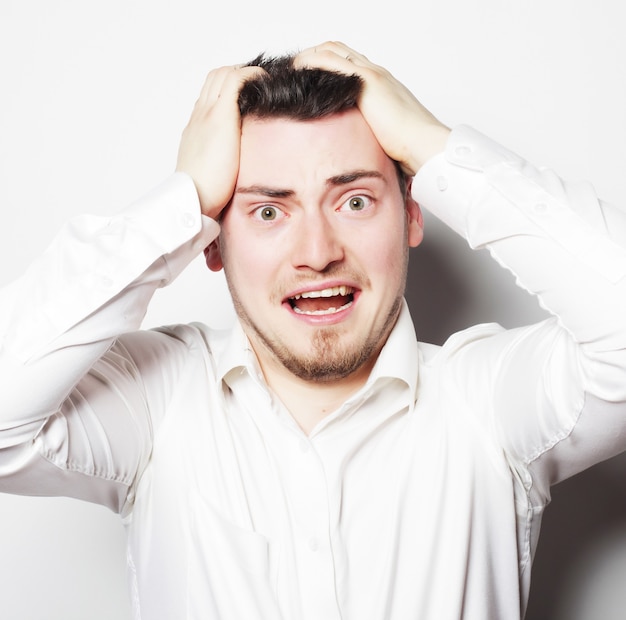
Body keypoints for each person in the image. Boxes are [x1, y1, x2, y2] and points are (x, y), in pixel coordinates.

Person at [1, 40, 625, 620]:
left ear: (412, 216)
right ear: (211, 243)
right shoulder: (154, 400)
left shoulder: (487, 401)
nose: (317, 251)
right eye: (269, 210)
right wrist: (183, 200)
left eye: (353, 201)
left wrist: (435, 147)